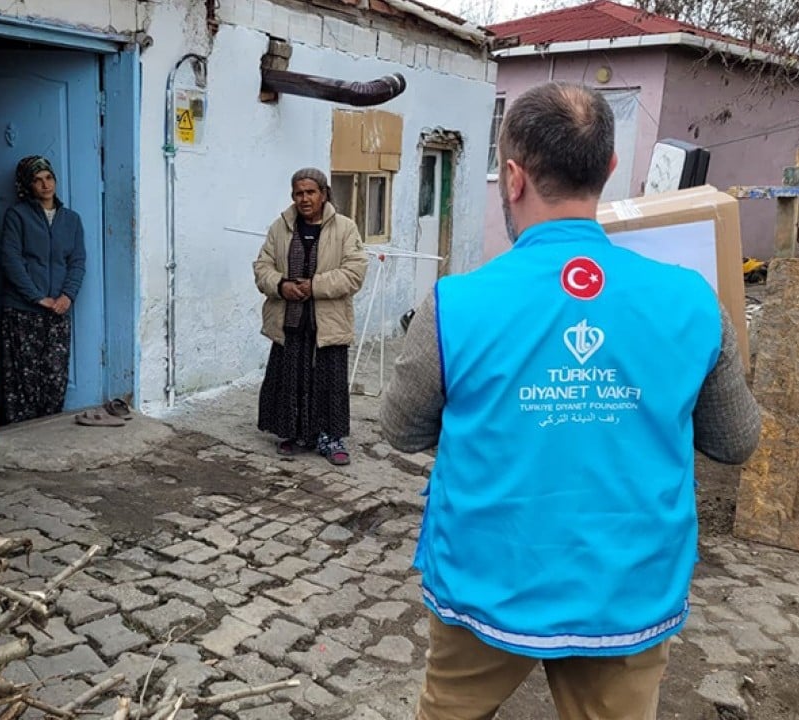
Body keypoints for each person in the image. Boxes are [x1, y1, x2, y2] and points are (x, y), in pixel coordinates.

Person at [381, 82, 762, 720]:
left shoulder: (455, 303)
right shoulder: (694, 301)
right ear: (609, 170)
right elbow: (735, 440)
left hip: (486, 584)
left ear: (512, 178)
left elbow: (400, 430)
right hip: (627, 594)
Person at [253, 168, 368, 465]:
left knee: (328, 380)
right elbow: (262, 266)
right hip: (289, 319)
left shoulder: (344, 228)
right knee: (290, 377)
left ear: (324, 194)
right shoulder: (280, 228)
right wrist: (282, 285)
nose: (304, 199)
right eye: (298, 193)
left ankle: (330, 438)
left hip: (327, 322)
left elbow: (354, 273)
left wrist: (314, 286)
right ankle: (293, 433)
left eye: (310, 192)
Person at [0, 155, 86, 425]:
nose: (45, 185)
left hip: (58, 310)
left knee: (54, 374)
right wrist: (37, 297)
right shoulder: (17, 216)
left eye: (48, 177)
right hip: (23, 310)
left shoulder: (71, 220)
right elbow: (11, 260)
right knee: (23, 376)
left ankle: (50, 429)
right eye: (37, 180)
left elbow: (77, 261)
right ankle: (23, 432)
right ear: (27, 185)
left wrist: (67, 296)